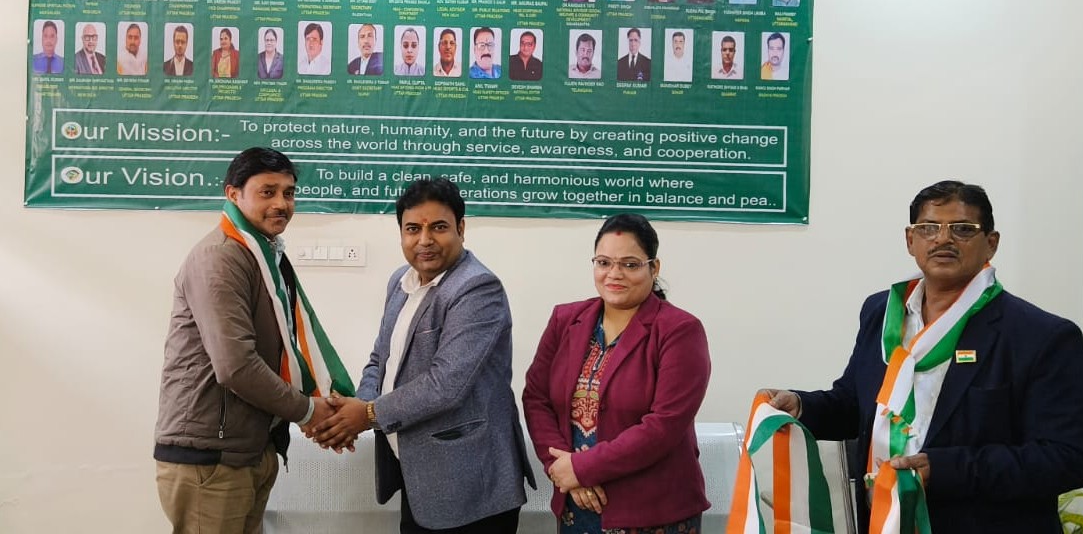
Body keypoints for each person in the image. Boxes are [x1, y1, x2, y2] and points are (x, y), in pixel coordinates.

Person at [760, 181, 1083, 534]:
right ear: (911, 240)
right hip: (884, 521)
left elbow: (1070, 458)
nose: (943, 239)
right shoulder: (881, 312)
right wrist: (803, 406)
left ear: (991, 243)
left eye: (963, 229)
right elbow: (856, 403)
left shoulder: (1041, 336)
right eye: (929, 228)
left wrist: (944, 469)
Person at [310, 177, 536, 533]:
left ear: (461, 228)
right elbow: (380, 360)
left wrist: (366, 415)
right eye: (413, 228)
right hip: (420, 478)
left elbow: (444, 385)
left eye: (439, 227)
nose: (424, 240)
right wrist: (354, 410)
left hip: (470, 485)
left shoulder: (477, 287)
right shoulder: (401, 281)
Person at [154, 148, 352, 534]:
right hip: (210, 457)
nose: (281, 203)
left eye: (289, 193)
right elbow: (236, 366)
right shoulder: (221, 257)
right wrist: (309, 411)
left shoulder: (263, 256)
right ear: (233, 194)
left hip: (249, 449)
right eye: (267, 192)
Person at [523, 213, 711, 533]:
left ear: (654, 268)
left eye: (630, 264)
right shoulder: (565, 320)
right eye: (604, 262)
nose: (614, 274)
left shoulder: (679, 331)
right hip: (577, 504)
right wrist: (561, 467)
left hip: (653, 512)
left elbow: (663, 425)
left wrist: (581, 468)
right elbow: (536, 398)